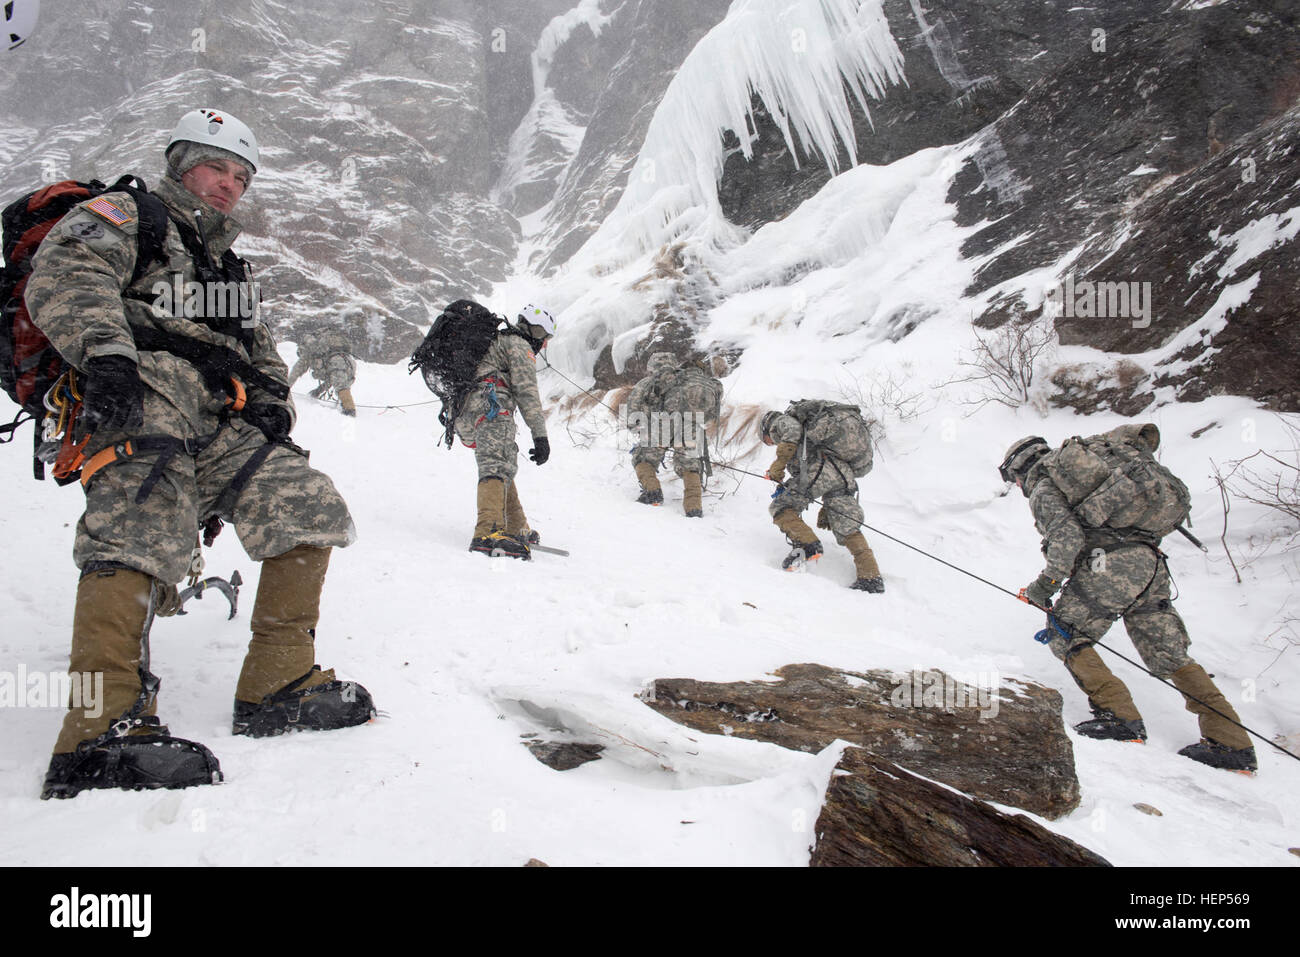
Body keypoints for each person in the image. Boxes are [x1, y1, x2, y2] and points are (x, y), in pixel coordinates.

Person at [24, 108, 375, 799]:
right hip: (139, 390)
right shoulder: (133, 214)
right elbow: (65, 268)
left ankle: (278, 682)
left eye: (241, 177)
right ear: (184, 164)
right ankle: (100, 728)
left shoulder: (227, 266)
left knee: (307, 500)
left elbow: (265, 353)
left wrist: (273, 402)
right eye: (217, 167)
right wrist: (108, 356)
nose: (228, 185)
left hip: (216, 415)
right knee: (138, 520)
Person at [1000, 427, 1256, 772]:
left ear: (1019, 472)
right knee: (1168, 651)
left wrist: (1043, 586)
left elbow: (1067, 538)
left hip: (1112, 562)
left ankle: (1119, 718)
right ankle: (1231, 742)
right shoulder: (1093, 467)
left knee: (1067, 632)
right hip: (1150, 562)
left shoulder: (1045, 486)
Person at [454, 304, 556, 559]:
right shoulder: (519, 344)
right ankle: (487, 532)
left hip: (468, 410)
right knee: (496, 465)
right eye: (544, 336)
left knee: (503, 463)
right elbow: (527, 392)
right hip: (491, 407)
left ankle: (515, 527)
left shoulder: (499, 341)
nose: (543, 344)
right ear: (535, 329)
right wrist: (540, 435)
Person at [760, 401, 883, 592]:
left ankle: (807, 545)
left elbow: (792, 431)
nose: (770, 442)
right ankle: (871, 577)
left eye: (767, 440)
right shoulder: (822, 435)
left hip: (820, 469)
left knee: (781, 508)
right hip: (844, 473)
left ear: (767, 428)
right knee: (846, 524)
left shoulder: (780, 421)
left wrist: (778, 466)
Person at [625, 352, 721, 517]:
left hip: (661, 423)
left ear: (652, 367)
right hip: (691, 424)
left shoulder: (648, 383)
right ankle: (694, 508)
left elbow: (633, 413)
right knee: (690, 466)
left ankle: (652, 492)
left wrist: (638, 428)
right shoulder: (685, 380)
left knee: (643, 458)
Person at [288, 315, 359, 416]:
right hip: (349, 361)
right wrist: (318, 391)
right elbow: (331, 378)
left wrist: (285, 388)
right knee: (342, 386)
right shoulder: (326, 346)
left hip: (337, 362)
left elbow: (295, 372)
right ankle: (347, 406)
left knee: (342, 387)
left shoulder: (309, 352)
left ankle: (350, 411)